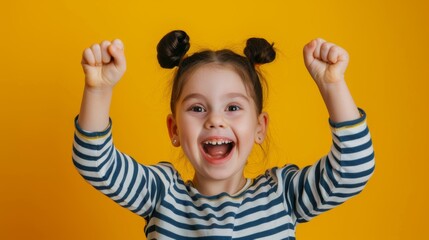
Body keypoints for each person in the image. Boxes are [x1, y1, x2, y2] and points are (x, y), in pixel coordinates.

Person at [73, 30, 375, 239]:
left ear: (259, 128)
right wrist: (98, 90)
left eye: (232, 107)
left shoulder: (283, 195)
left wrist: (332, 85)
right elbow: (96, 163)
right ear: (174, 130)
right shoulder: (161, 195)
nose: (215, 120)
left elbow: (352, 169)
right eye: (197, 108)